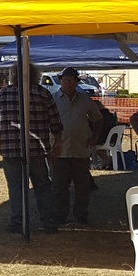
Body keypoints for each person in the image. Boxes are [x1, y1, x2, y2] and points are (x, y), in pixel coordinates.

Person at [0, 62, 62, 233]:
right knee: (42, 185)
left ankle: (18, 222)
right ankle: (48, 222)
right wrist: (58, 141)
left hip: (11, 149)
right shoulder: (43, 93)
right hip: (37, 149)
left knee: (16, 187)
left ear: (13, 75)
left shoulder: (3, 93)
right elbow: (55, 121)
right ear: (36, 76)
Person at [48, 68, 99, 227]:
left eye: (71, 80)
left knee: (82, 185)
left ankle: (81, 214)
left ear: (77, 82)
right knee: (59, 185)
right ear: (60, 82)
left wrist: (94, 137)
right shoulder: (52, 100)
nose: (68, 83)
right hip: (58, 149)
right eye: (65, 80)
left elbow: (98, 118)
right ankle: (60, 215)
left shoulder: (85, 100)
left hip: (80, 148)